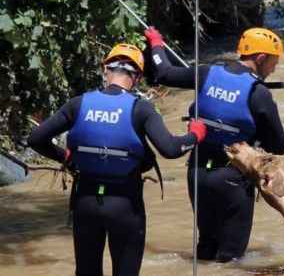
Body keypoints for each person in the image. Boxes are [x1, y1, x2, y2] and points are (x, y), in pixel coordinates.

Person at [28, 43, 206, 276]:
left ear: (105, 69)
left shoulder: (79, 103)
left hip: (86, 202)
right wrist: (195, 135)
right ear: (138, 77)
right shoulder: (141, 109)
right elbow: (171, 149)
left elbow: (36, 138)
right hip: (125, 204)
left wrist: (67, 159)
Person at [144, 26, 284, 263]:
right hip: (232, 179)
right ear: (261, 58)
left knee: (206, 248)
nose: (274, 68)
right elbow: (279, 145)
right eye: (274, 62)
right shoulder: (259, 93)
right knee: (230, 260)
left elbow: (164, 73)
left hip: (197, 173)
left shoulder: (207, 73)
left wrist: (157, 43)